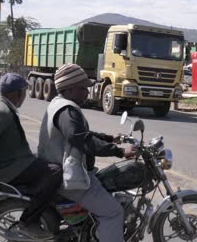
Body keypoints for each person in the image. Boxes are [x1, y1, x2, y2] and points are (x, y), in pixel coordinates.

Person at [37, 63, 136, 242]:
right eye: (82, 89)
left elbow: (81, 133)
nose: (86, 93)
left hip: (57, 171)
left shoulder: (59, 104)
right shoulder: (67, 110)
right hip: (70, 180)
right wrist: (120, 152)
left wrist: (110, 138)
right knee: (113, 212)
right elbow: (82, 139)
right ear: (69, 89)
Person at [0, 73, 63, 240]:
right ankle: (29, 220)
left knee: (43, 163)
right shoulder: (3, 112)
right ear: (18, 93)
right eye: (24, 91)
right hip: (7, 168)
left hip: (3, 163)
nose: (25, 96)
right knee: (55, 171)